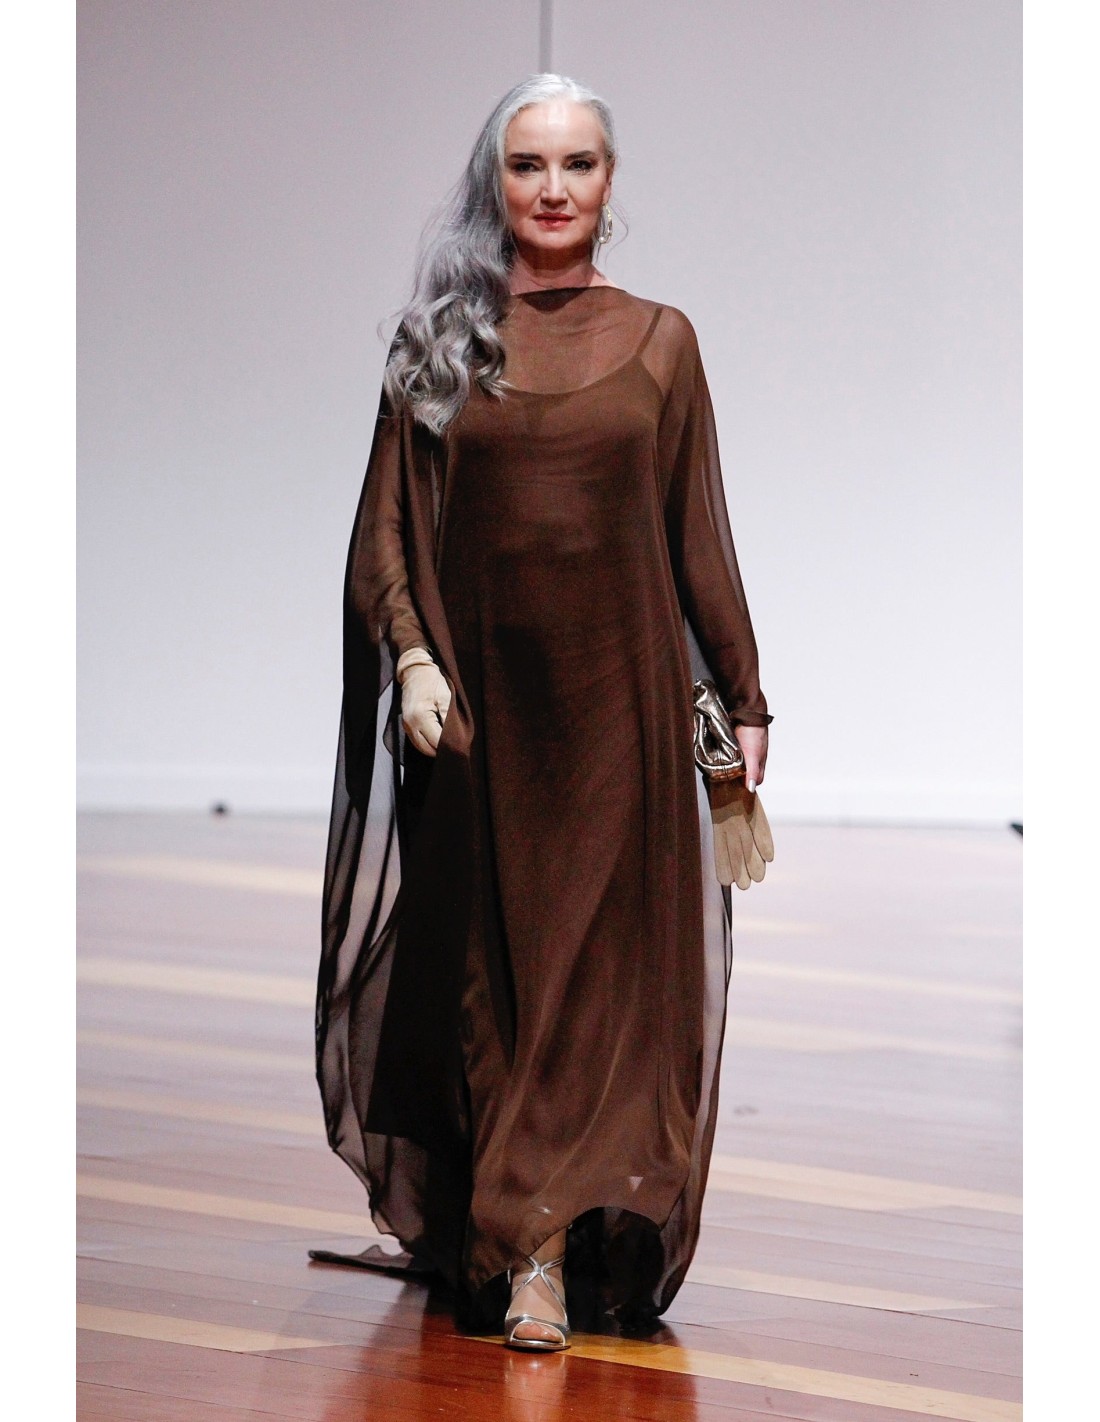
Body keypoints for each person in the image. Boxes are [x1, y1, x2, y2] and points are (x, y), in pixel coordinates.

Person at [314, 73, 772, 1352]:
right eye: (528, 166)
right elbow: (384, 528)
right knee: (494, 987)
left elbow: (696, 536)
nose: (553, 189)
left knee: (601, 993)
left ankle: (541, 1257)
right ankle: (516, 1231)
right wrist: (413, 659)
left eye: (577, 164)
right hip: (482, 725)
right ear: (495, 182)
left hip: (624, 717)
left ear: (609, 183)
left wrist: (741, 703)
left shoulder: (662, 342)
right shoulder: (442, 343)